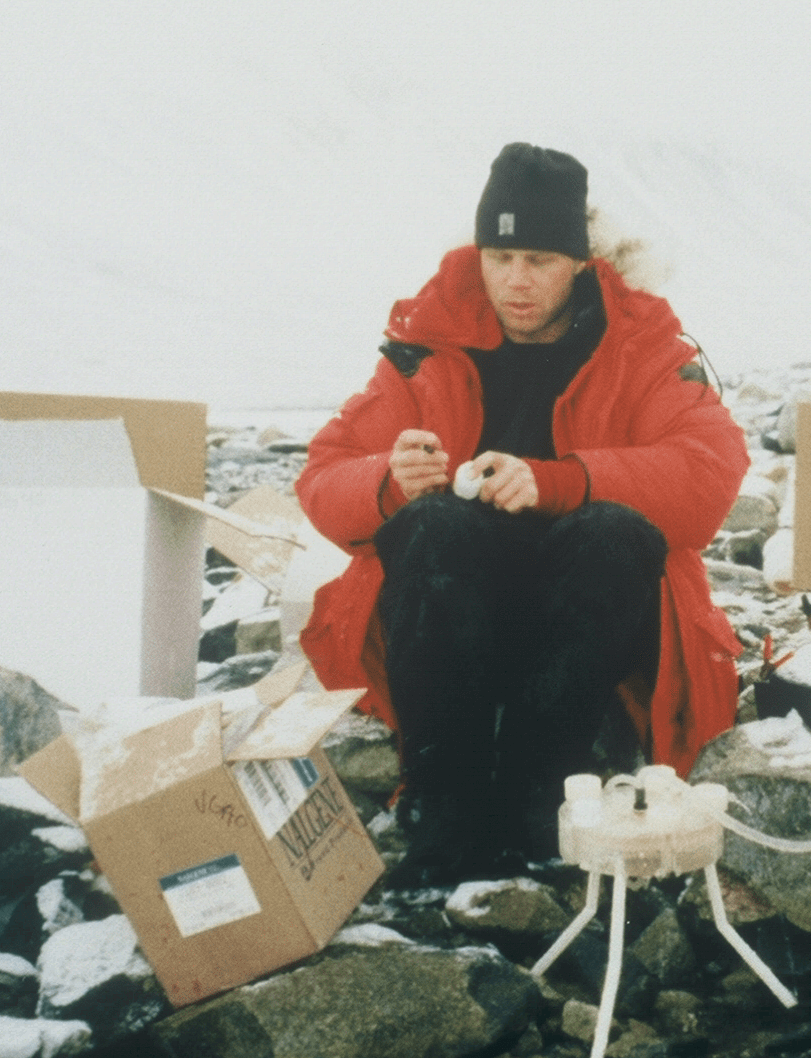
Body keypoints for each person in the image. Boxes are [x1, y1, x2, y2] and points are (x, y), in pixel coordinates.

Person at [295, 143, 748, 883]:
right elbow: (321, 478)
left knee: (610, 533)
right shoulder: (426, 346)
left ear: (580, 262)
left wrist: (560, 482)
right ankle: (443, 814)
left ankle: (543, 804)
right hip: (455, 617)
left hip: (591, 627)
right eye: (499, 256)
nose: (516, 279)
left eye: (539, 258)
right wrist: (389, 481)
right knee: (433, 525)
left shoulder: (641, 348)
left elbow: (708, 476)